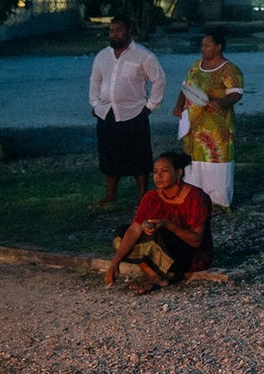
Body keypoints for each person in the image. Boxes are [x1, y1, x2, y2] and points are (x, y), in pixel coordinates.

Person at [104, 150, 213, 295]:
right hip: (162, 248)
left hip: (190, 255)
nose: (158, 176)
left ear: (179, 173)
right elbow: (134, 230)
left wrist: (167, 225)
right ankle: (155, 275)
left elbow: (197, 241)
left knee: (158, 235)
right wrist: (114, 264)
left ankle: (161, 275)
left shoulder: (196, 197)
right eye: (155, 172)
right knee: (121, 236)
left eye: (164, 171)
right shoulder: (151, 197)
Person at [89, 15, 166, 206]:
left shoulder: (143, 55)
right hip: (107, 113)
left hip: (134, 113)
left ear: (128, 31)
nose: (115, 34)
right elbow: (95, 81)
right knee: (109, 156)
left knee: (139, 157)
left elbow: (159, 80)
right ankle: (110, 196)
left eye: (120, 30)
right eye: (112, 30)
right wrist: (95, 104)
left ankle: (142, 198)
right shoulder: (102, 56)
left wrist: (150, 107)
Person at [173, 26, 244, 211]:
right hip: (194, 125)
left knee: (217, 159)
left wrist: (222, 102)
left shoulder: (229, 69)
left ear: (218, 47)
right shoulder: (196, 66)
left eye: (207, 45)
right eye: (202, 45)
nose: (203, 48)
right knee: (194, 159)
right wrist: (179, 106)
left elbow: (236, 93)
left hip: (217, 126)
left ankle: (219, 200)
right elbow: (186, 88)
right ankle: (194, 197)